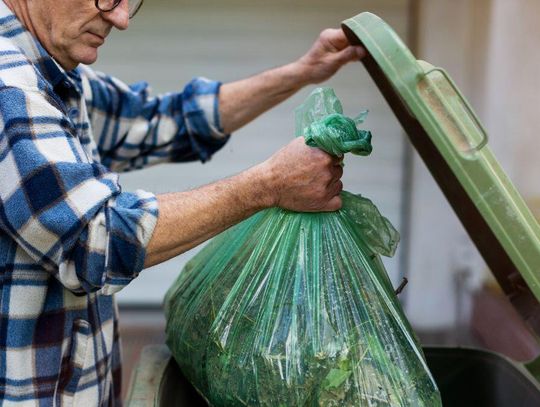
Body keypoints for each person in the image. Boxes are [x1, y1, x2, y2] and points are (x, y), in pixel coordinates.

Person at [0, 0, 365, 404]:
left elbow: (161, 120)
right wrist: (269, 185)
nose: (120, 19)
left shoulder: (52, 72)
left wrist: (303, 71)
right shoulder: (8, 86)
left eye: (129, 2)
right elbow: (95, 239)